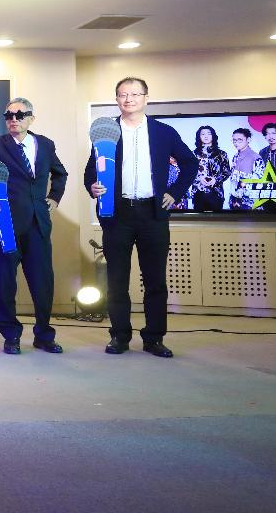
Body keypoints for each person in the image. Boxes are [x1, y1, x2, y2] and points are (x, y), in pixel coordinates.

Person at [84, 77, 197, 358]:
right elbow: (91, 170)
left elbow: (190, 163)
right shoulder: (106, 130)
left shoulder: (163, 132)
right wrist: (92, 186)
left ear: (146, 98)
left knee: (155, 280)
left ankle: (154, 338)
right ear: (117, 99)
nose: (129, 99)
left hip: (152, 214)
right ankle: (119, 336)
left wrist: (175, 192)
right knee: (116, 279)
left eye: (135, 94)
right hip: (117, 214)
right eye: (123, 94)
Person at [0, 97, 68, 355]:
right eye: (8, 116)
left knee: (43, 282)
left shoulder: (45, 144)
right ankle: (11, 336)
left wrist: (54, 197)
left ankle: (44, 334)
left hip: (38, 223)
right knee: (6, 281)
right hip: (6, 222)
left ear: (31, 118)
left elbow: (60, 173)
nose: (13, 120)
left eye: (19, 115)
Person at [188, 125, 230, 212]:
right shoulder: (193, 154)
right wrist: (199, 179)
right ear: (199, 137)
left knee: (217, 219)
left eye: (209, 134)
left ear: (213, 136)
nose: (206, 136)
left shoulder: (222, 154)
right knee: (198, 219)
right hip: (198, 193)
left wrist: (215, 180)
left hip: (216, 193)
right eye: (203, 134)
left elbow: (227, 172)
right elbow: (188, 173)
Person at [229, 128, 263, 210]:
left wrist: (243, 188)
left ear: (248, 140)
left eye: (239, 140)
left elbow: (259, 181)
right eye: (234, 140)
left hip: (249, 203)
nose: (236, 143)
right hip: (234, 200)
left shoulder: (255, 157)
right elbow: (233, 178)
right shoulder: (235, 156)